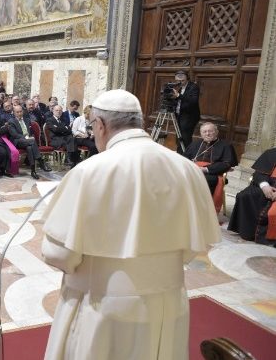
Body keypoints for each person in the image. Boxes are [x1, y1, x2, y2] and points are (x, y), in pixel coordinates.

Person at [40, 89, 220, 360]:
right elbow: (195, 247)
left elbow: (59, 254)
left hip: (103, 308)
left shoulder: (89, 172)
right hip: (169, 304)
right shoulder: (186, 168)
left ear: (100, 125)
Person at [228, 147, 276, 245]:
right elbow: (258, 174)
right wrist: (264, 186)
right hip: (268, 185)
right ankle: (247, 233)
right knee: (245, 196)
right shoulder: (271, 153)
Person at [184, 122, 238, 195]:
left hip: (213, 173)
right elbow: (184, 158)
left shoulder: (226, 145)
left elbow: (227, 164)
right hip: (193, 170)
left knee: (204, 180)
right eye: (204, 132)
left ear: (216, 132)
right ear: (201, 133)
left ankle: (203, 204)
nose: (207, 134)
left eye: (210, 131)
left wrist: (206, 169)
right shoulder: (195, 143)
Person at [6, 105, 50, 179]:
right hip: (18, 141)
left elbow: (31, 132)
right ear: (14, 113)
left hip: (28, 141)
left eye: (20, 111)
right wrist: (27, 138)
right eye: (17, 112)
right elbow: (15, 135)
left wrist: (31, 136)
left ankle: (33, 171)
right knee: (32, 142)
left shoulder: (27, 120)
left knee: (29, 148)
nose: (19, 113)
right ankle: (41, 161)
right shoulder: (11, 121)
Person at [171, 70, 200, 151]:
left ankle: (186, 155)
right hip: (179, 115)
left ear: (187, 78)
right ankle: (179, 153)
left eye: (182, 80)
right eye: (177, 81)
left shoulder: (193, 87)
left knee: (185, 137)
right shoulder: (179, 87)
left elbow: (193, 101)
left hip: (189, 116)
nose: (180, 82)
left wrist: (178, 95)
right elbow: (179, 101)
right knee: (179, 136)